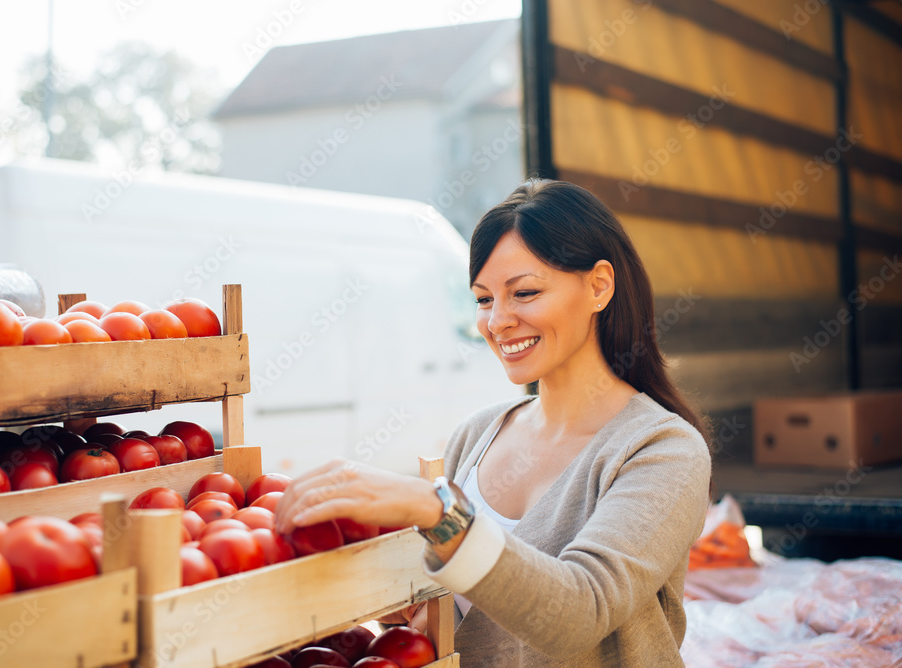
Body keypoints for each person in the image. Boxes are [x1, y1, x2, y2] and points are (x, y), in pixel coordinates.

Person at [275, 179, 713, 667]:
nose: (497, 321)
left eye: (523, 292)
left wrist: (435, 510)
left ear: (599, 286)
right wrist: (419, 604)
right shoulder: (476, 436)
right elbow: (481, 618)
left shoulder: (662, 450)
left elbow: (579, 612)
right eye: (484, 299)